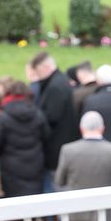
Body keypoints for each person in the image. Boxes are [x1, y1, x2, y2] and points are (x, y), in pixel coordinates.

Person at [0, 80, 50, 198]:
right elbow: (46, 137)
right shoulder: (37, 114)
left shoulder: (3, 117)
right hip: (35, 166)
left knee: (14, 206)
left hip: (10, 168)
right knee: (34, 202)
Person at [30, 52, 80, 192]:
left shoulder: (55, 86)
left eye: (38, 71)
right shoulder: (58, 81)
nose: (37, 76)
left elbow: (51, 117)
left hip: (56, 148)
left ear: (46, 67)